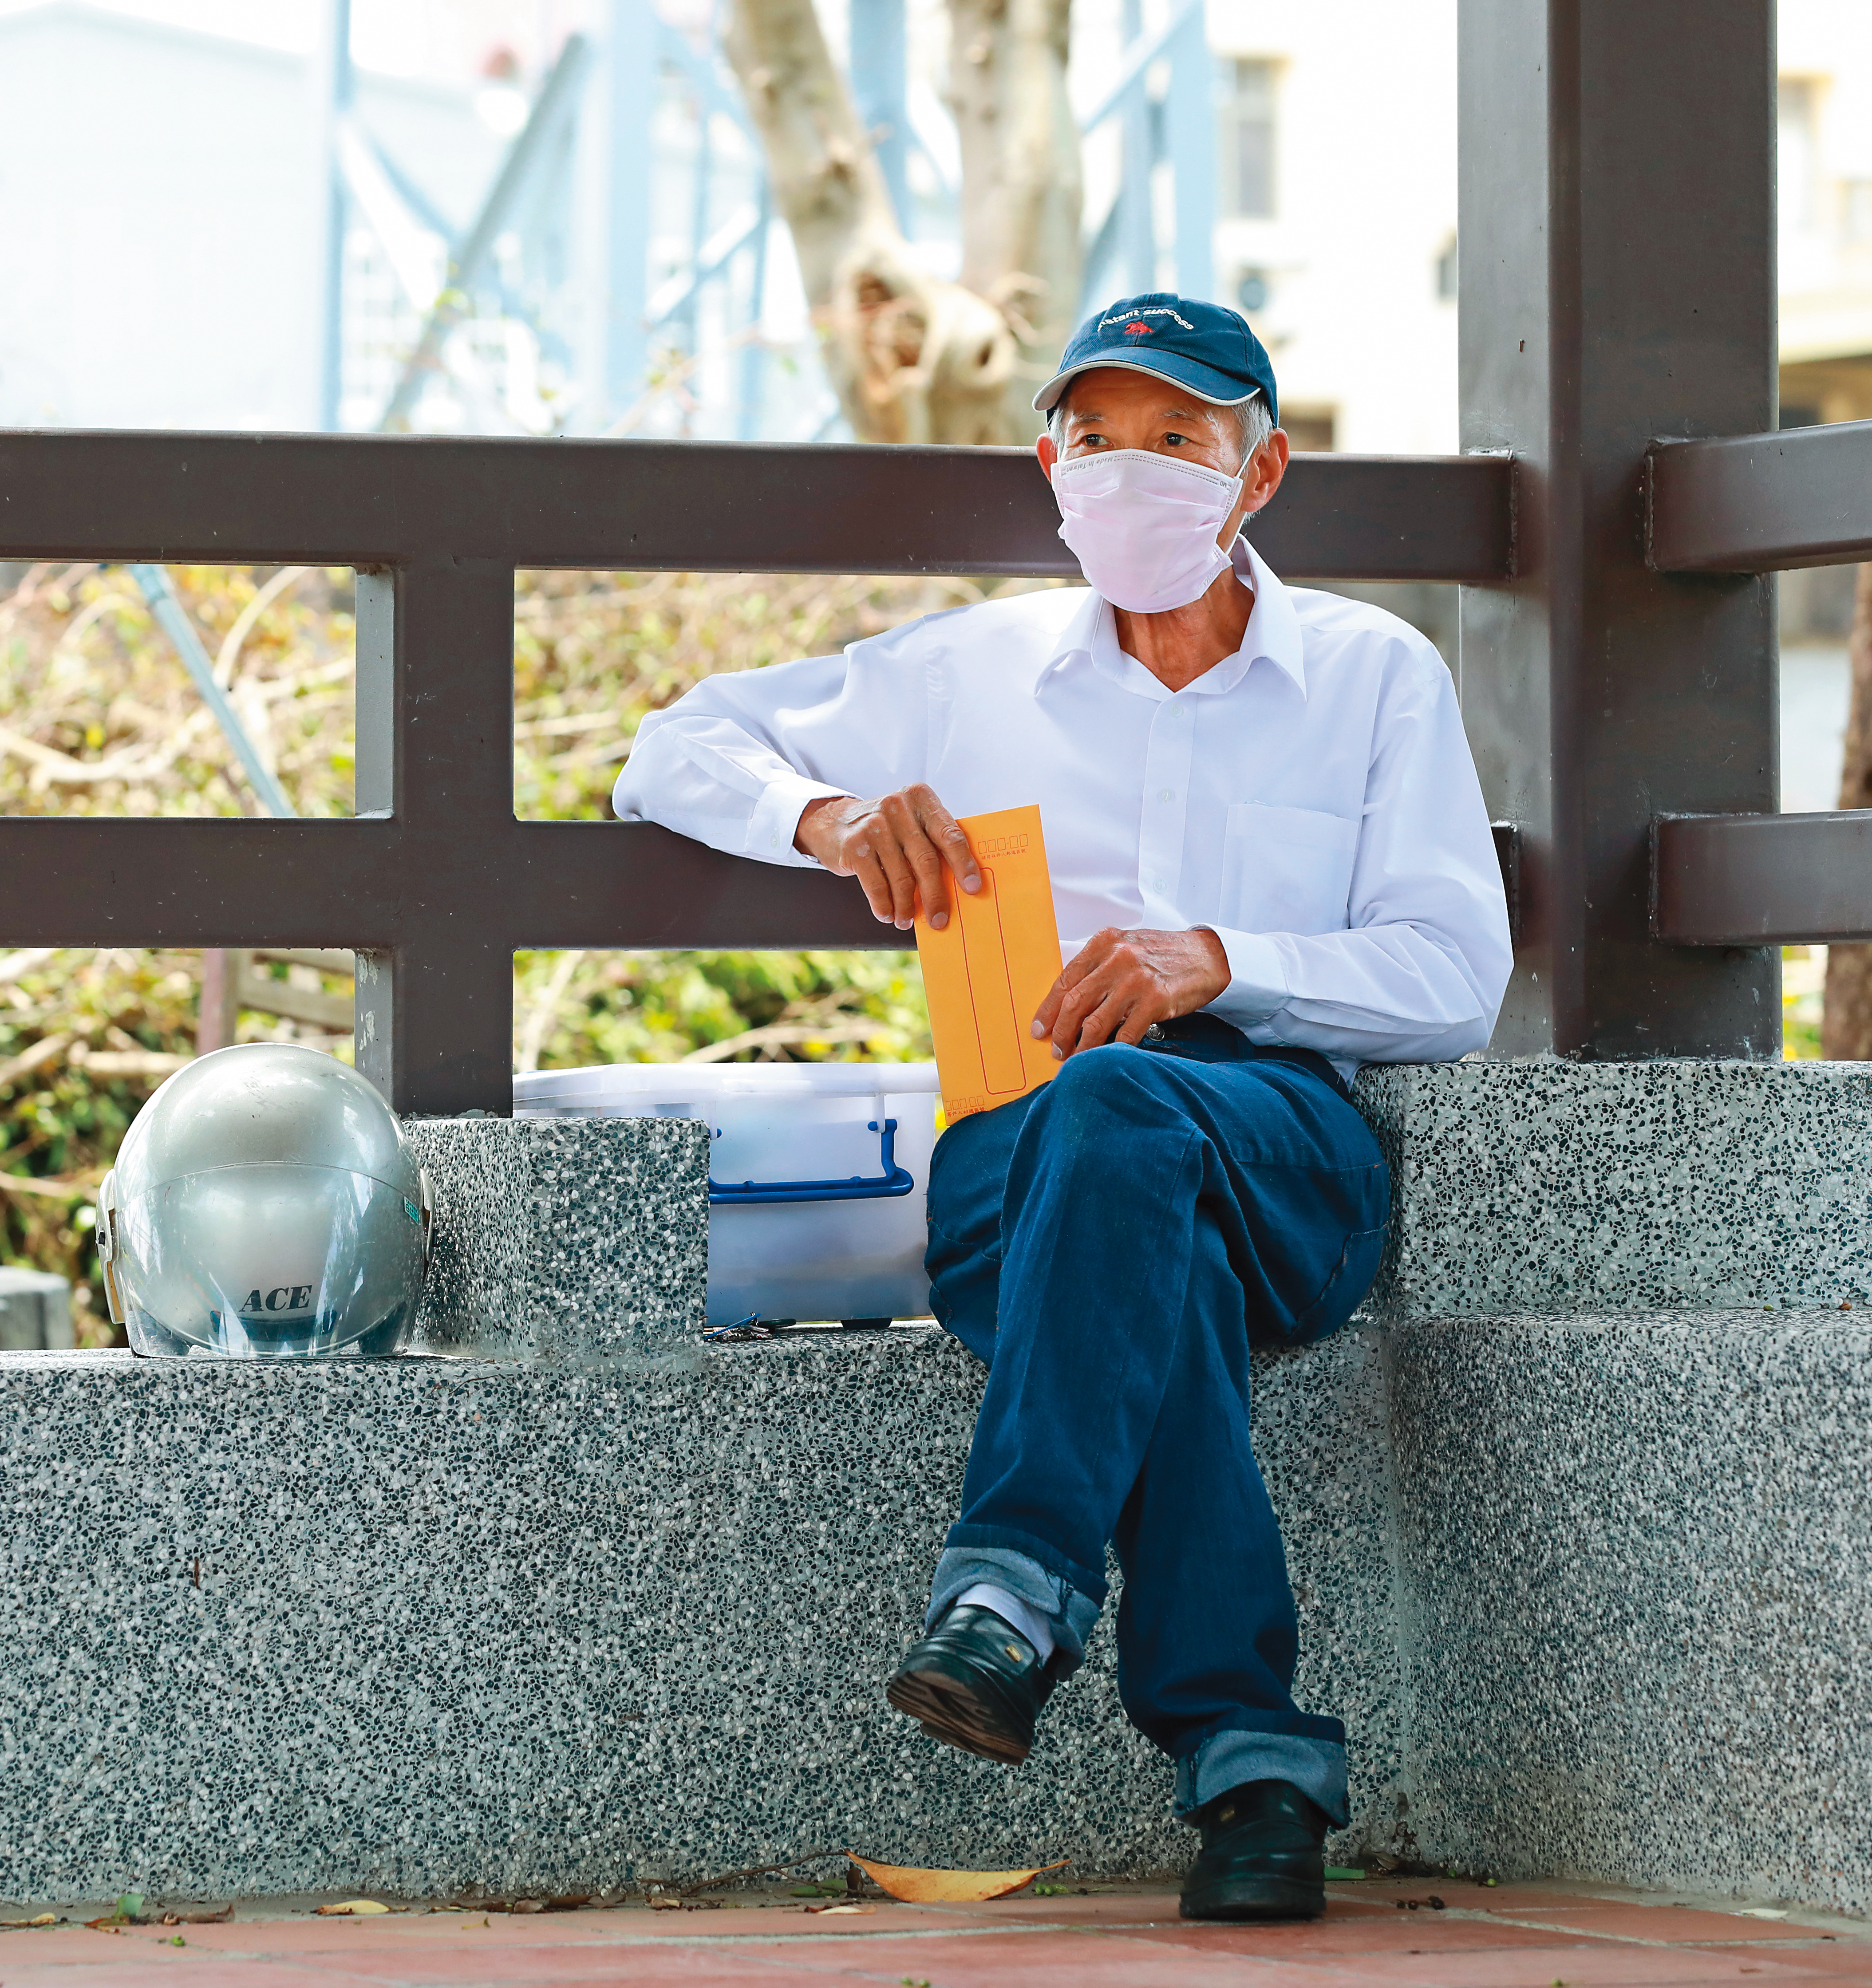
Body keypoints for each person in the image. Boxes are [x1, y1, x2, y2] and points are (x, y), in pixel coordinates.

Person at [611, 292, 1511, 1922]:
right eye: (1098, 437)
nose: (1132, 469)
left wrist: (1219, 961)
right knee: (1122, 1193)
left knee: (1129, 1112)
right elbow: (675, 746)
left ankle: (1020, 1590)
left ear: (1262, 469)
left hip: (1285, 1144)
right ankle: (1247, 1761)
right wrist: (825, 816)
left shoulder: (1374, 674)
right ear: (1049, 462)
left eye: (1178, 438)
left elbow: (1454, 976)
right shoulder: (964, 670)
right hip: (1019, 1168)